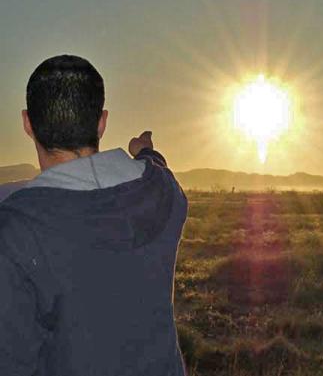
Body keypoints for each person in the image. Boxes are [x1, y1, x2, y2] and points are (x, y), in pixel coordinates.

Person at [0, 55, 188, 376]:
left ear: (27, 123)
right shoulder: (164, 191)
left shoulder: (14, 230)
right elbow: (156, 166)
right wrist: (145, 150)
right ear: (102, 121)